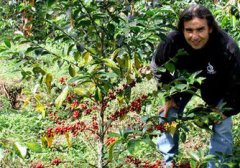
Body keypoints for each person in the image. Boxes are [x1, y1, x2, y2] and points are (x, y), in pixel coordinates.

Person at [150, 4, 240, 168]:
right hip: (184, 81)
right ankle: (169, 162)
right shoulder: (172, 41)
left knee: (223, 126)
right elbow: (158, 66)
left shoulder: (227, 47)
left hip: (218, 83)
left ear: (210, 28)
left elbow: (238, 81)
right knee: (169, 115)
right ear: (182, 30)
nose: (194, 36)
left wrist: (227, 109)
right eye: (189, 30)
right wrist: (169, 97)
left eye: (200, 29)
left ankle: (217, 164)